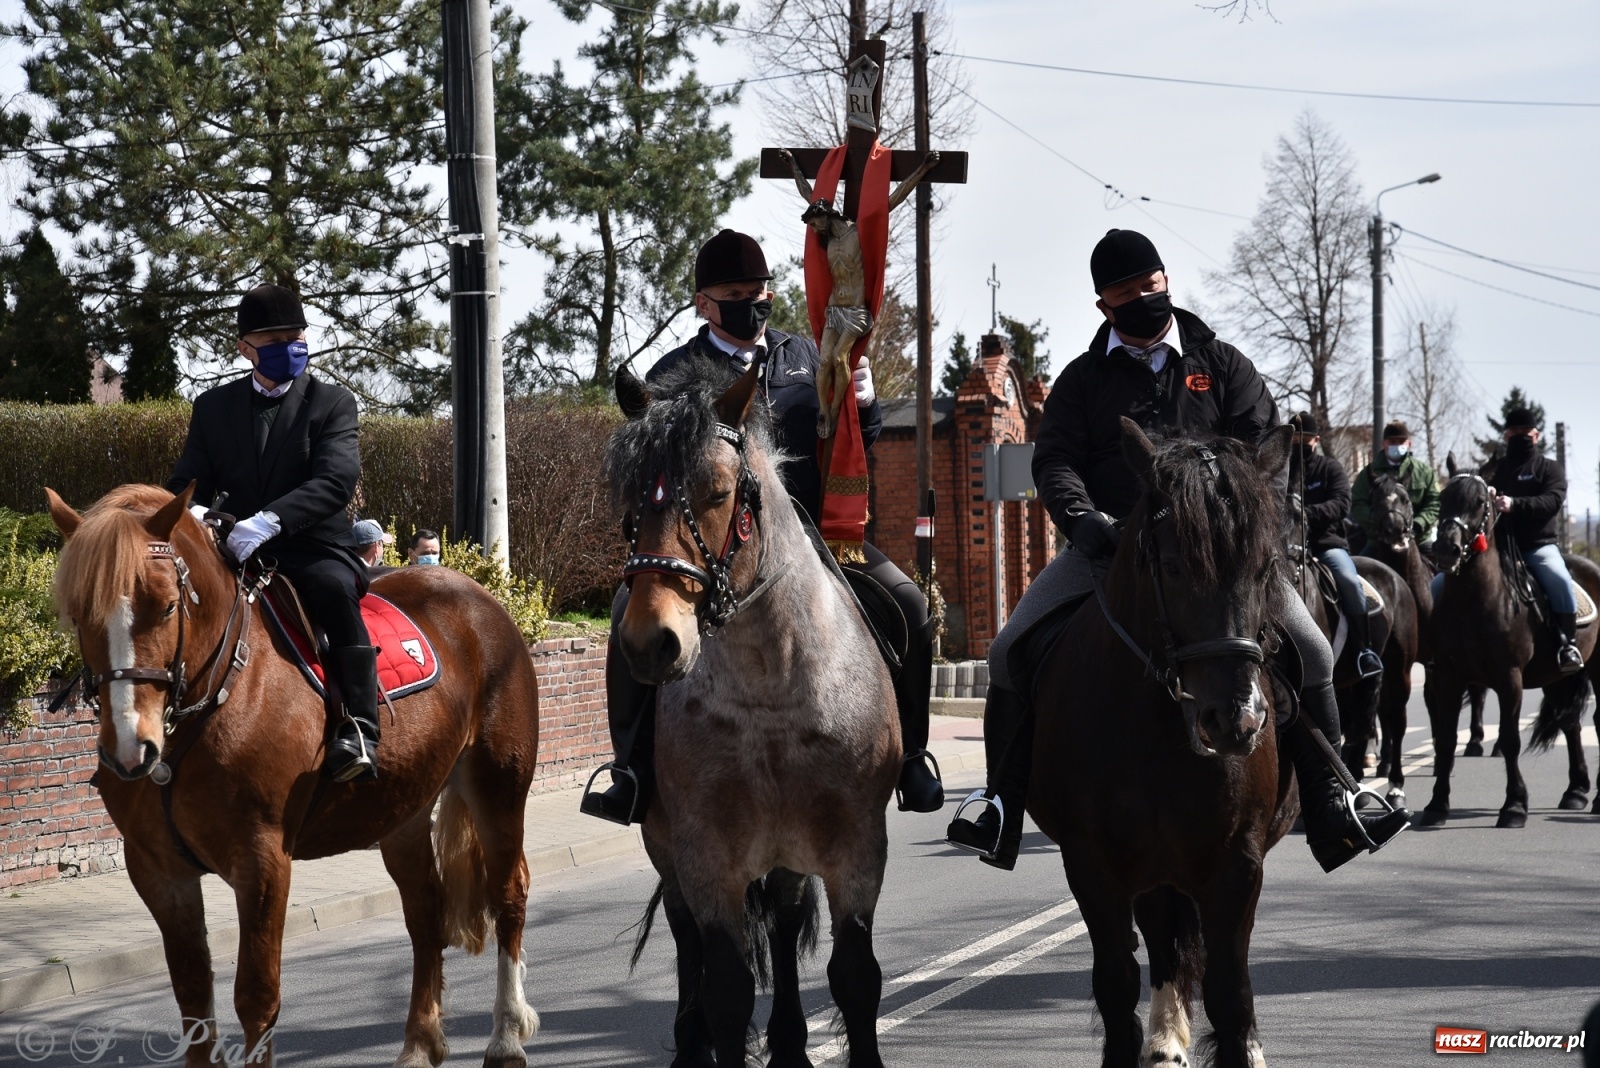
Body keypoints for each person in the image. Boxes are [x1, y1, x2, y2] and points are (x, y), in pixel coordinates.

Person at [944, 229, 1409, 872]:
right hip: (1111, 549)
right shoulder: (1084, 380)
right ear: (1103, 303)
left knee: (1311, 648)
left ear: (1166, 279)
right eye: (1126, 292)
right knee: (1008, 649)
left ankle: (1335, 799)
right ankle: (1000, 803)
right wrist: (1081, 520)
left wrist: (1247, 532)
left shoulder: (1221, 364)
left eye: (1151, 284)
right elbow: (1054, 462)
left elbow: (1267, 453)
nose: (1143, 297)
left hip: (1221, 558)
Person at [580, 228, 944, 824]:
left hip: (816, 535)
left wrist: (864, 402)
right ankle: (630, 770)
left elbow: (857, 446)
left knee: (908, 605)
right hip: (714, 548)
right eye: (735, 293)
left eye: (761, 291)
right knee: (627, 614)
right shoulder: (673, 375)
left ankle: (912, 760)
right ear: (704, 303)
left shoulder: (808, 356)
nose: (752, 303)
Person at [168, 284, 380, 783]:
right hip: (233, 550)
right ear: (245, 348)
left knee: (332, 590)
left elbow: (336, 480)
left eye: (297, 335)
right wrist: (199, 517)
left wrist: (267, 522)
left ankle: (361, 728)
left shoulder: (332, 403)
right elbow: (184, 484)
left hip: (311, 546)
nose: (291, 346)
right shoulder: (213, 407)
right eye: (276, 338)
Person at [1431, 408, 1583, 673]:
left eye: (1525, 433)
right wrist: (1487, 491)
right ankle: (1438, 647)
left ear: (1536, 435)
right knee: (1438, 583)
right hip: (1497, 547)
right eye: (1514, 433)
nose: (1519, 437)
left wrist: (1515, 503)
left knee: (1558, 579)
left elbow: (1552, 501)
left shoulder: (1549, 468)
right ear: (1506, 436)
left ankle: (1567, 643)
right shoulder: (1497, 469)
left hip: (1537, 545)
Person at [1288, 412, 1382, 679]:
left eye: (1305, 438)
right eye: (1294, 438)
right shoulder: (1281, 470)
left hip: (1325, 544)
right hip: (1287, 546)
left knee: (1348, 580)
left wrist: (1307, 512)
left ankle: (1365, 649)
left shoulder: (1330, 468)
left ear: (1316, 440)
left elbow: (1342, 503)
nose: (1299, 443)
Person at [1351, 421, 1441, 554]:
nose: (1396, 445)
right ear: (1384, 444)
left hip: (1419, 540)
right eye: (1392, 442)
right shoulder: (1369, 473)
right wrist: (1378, 523)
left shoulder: (1425, 472)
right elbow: (1357, 503)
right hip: (1378, 542)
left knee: (1440, 570)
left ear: (1409, 444)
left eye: (1401, 442)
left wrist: (1418, 524)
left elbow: (1435, 502)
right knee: (1356, 570)